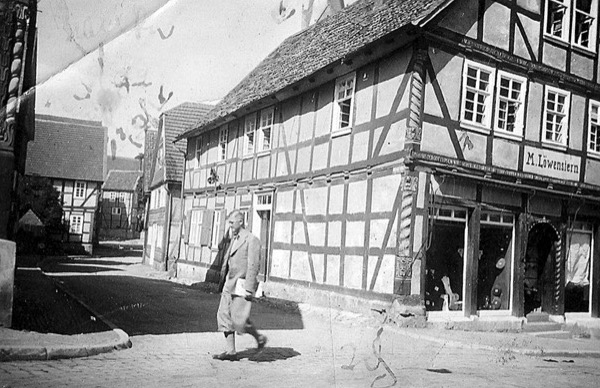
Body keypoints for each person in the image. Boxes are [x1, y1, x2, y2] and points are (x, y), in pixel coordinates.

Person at [213, 210, 267, 361]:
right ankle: (231, 352)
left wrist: (249, 287)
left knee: (239, 320)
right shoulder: (234, 238)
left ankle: (260, 338)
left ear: (241, 222)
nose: (230, 226)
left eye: (232, 222)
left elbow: (253, 265)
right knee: (224, 315)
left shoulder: (251, 240)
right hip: (228, 284)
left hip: (241, 285)